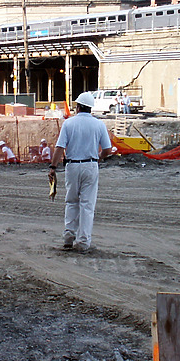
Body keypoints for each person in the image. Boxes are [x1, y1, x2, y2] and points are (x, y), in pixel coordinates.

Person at [48, 91, 116, 253]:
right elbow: (107, 149)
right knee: (87, 205)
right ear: (91, 108)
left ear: (78, 107)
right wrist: (99, 157)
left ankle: (68, 236)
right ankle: (83, 242)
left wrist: (53, 167)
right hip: (91, 166)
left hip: (72, 166)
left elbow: (60, 147)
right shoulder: (99, 125)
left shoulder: (69, 124)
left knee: (71, 201)